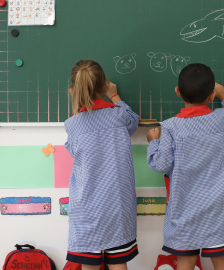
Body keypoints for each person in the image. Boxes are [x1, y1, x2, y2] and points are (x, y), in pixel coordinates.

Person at [146, 63, 224, 270]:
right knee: (221, 260)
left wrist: (153, 142)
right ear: (211, 95)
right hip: (218, 209)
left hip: (184, 209)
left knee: (185, 260)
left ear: (177, 92)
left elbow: (162, 164)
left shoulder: (169, 127)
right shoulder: (222, 119)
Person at [64, 60, 139, 270]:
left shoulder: (72, 125)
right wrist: (115, 97)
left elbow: (74, 152)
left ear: (73, 90)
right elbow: (133, 121)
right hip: (118, 205)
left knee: (89, 265)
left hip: (86, 208)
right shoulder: (119, 115)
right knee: (118, 263)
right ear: (105, 86)